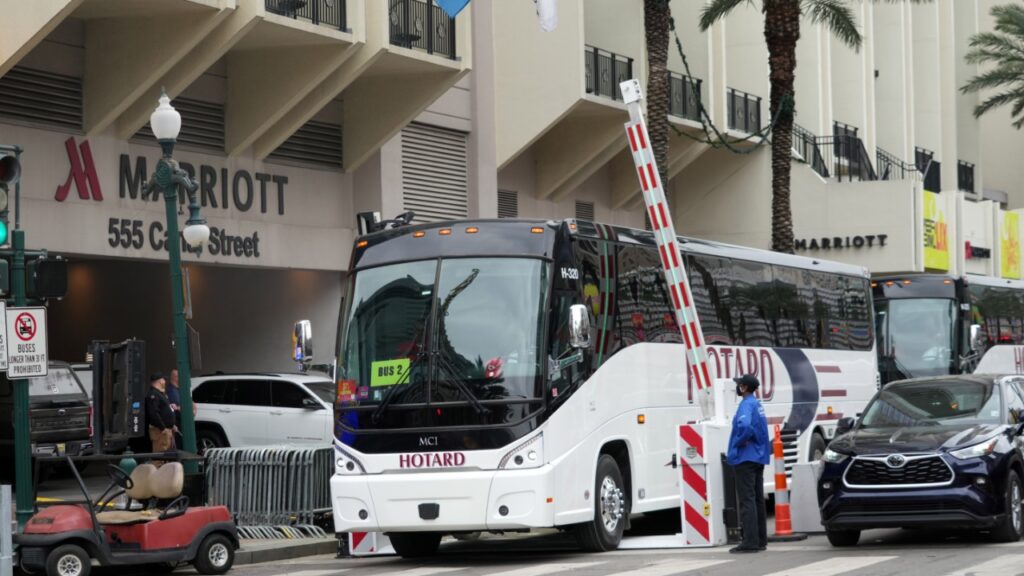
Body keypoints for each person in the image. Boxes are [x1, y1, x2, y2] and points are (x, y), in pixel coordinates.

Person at [727, 374, 771, 553]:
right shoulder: (758, 404)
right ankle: (760, 540)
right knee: (758, 499)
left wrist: (737, 442)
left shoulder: (746, 404)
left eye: (739, 385)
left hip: (746, 457)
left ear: (744, 388)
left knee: (747, 500)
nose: (737, 387)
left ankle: (750, 542)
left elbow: (745, 426)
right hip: (758, 457)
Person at [145, 372, 176, 457]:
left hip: (166, 430)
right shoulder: (153, 394)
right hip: (160, 432)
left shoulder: (160, 394)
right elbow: (154, 413)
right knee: (160, 457)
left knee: (167, 457)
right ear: (160, 381)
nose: (165, 381)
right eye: (163, 379)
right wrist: (163, 428)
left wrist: (171, 425)